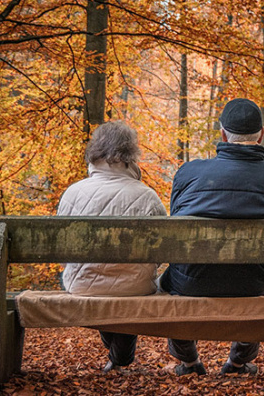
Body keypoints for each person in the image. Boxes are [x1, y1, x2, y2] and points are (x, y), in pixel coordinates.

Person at [159, 98, 264, 376]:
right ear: (261, 135)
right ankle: (238, 363)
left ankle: (189, 363)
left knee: (175, 277)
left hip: (191, 283)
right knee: (256, 276)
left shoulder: (188, 173)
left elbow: (177, 222)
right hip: (253, 284)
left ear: (222, 134)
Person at [59, 121, 166, 374]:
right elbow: (162, 250)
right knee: (127, 288)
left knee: (105, 289)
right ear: (131, 156)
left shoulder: (72, 193)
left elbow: (63, 251)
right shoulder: (147, 196)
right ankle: (121, 359)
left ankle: (118, 360)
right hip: (136, 286)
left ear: (95, 153)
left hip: (81, 284)